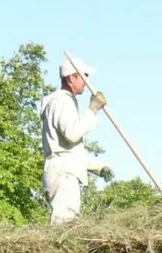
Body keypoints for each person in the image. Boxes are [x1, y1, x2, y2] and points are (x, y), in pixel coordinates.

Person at [39, 56, 114, 224]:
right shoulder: (61, 100)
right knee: (63, 227)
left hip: (65, 171)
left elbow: (70, 151)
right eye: (84, 76)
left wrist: (98, 168)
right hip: (64, 175)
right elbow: (72, 134)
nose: (86, 82)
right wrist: (92, 110)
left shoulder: (66, 101)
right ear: (71, 78)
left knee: (68, 224)